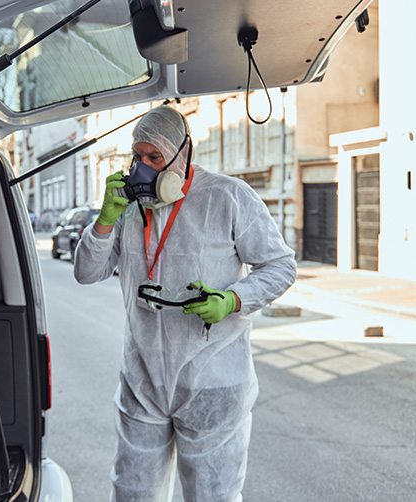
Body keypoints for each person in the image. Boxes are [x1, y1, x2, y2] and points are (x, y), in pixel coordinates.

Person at [73, 105, 296, 502]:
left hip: (212, 381)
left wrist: (233, 299)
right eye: (137, 157)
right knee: (132, 493)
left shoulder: (228, 197)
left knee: (212, 496)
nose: (143, 168)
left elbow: (280, 265)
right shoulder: (127, 208)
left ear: (183, 152)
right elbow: (87, 272)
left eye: (154, 158)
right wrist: (105, 220)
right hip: (143, 380)